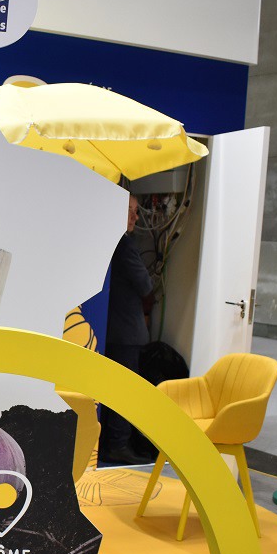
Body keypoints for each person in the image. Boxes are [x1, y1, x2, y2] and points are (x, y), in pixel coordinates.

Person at [98, 193, 152, 465]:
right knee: (124, 391)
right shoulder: (125, 244)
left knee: (111, 389)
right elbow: (145, 285)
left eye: (136, 211)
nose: (135, 217)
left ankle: (111, 442)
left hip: (110, 329)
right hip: (127, 332)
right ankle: (118, 444)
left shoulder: (105, 241)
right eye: (129, 210)